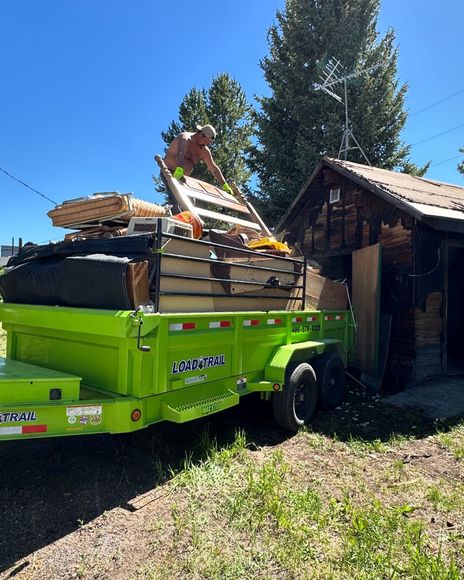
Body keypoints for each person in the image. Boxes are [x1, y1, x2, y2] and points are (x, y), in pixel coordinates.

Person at [163, 124, 234, 195]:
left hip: (183, 178)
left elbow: (213, 168)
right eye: (205, 141)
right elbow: (181, 152)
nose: (205, 144)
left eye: (208, 143)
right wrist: (179, 169)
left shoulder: (204, 150)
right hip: (168, 171)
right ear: (201, 134)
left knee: (191, 201)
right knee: (174, 198)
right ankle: (173, 205)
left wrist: (224, 185)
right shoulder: (185, 138)